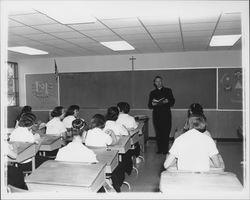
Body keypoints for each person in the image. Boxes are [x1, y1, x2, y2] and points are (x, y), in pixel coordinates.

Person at [148, 76, 175, 154]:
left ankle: (165, 149)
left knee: (166, 132)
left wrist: (168, 101)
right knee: (158, 132)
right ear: (154, 83)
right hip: (157, 115)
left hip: (166, 114)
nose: (158, 83)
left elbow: (172, 102)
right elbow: (149, 105)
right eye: (157, 81)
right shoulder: (152, 93)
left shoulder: (168, 90)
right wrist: (153, 103)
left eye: (160, 81)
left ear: (162, 82)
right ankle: (160, 149)